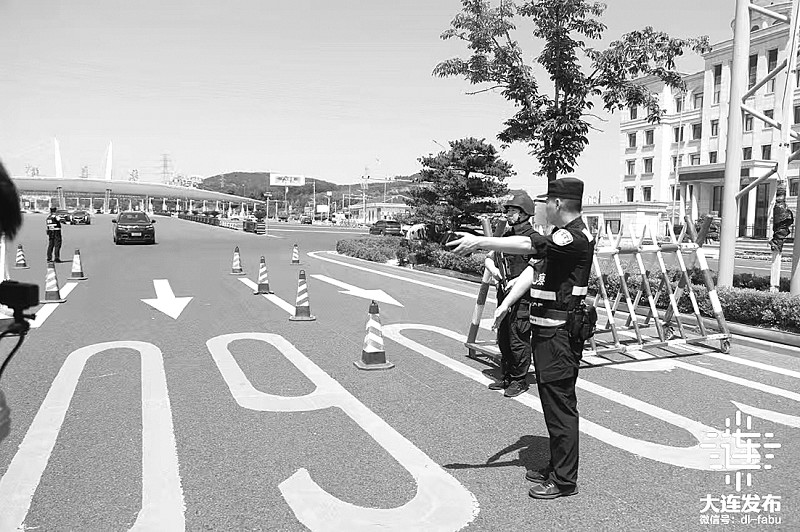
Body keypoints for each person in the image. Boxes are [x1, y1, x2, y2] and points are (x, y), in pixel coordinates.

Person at [448, 177, 595, 500]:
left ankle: (564, 481)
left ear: (557, 204)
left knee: (560, 408)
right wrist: (505, 305)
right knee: (552, 405)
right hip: (547, 335)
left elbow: (531, 247)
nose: (542, 208)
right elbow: (533, 269)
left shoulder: (573, 237)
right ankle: (556, 467)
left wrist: (480, 242)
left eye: (545, 203)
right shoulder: (560, 237)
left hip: (559, 336)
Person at [483, 192, 537, 398]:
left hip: (523, 297)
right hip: (503, 292)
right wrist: (494, 270)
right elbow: (490, 256)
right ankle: (507, 375)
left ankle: (519, 380)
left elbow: (536, 267)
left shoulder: (532, 239)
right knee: (504, 336)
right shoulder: (506, 237)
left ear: (524, 213)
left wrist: (518, 280)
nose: (508, 214)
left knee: (518, 337)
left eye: (513, 211)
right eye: (508, 210)